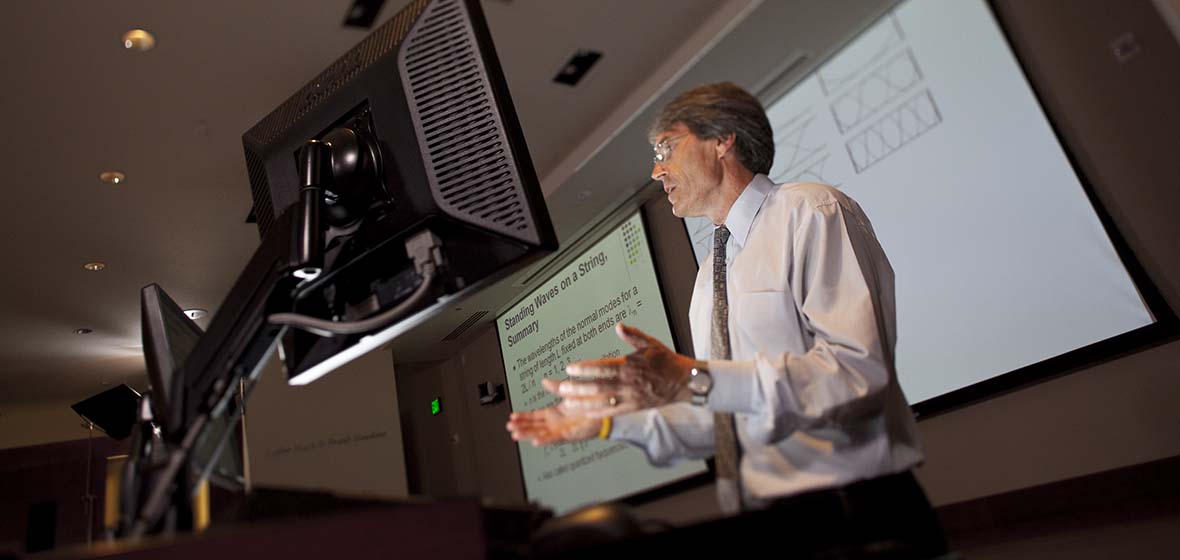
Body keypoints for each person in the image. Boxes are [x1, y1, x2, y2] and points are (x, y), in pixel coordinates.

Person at [506, 82, 946, 556]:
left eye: (666, 148)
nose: (656, 170)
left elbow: (856, 375)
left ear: (722, 139)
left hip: (862, 516)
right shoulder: (708, 279)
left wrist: (693, 377)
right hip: (775, 524)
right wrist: (611, 422)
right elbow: (723, 420)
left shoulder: (810, 211)